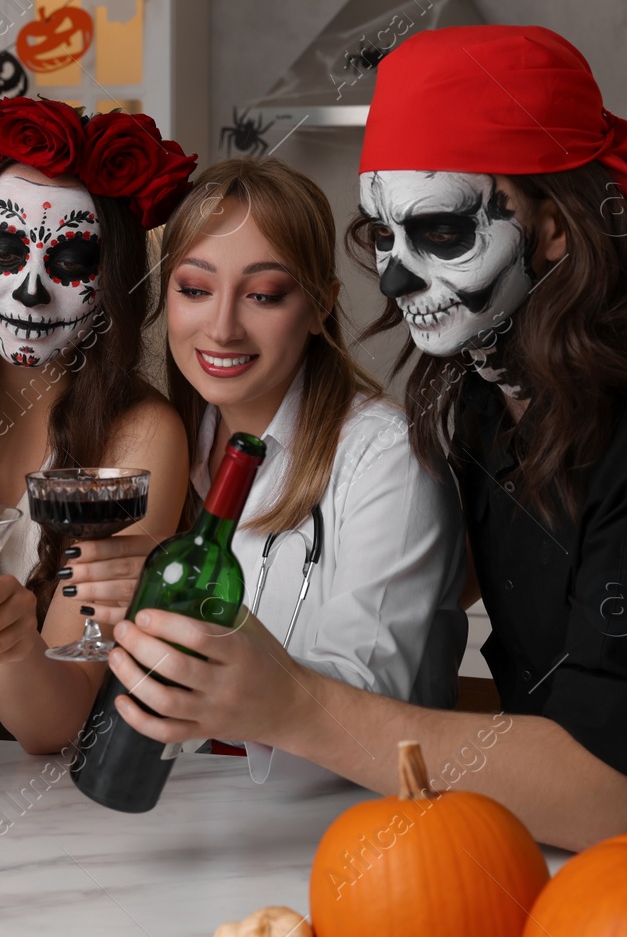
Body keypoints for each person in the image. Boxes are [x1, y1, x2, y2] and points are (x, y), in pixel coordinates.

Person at [106, 25, 627, 851]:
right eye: (383, 235)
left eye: (441, 230)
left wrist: (291, 702)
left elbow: (600, 786)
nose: (401, 277)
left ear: (555, 228)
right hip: (554, 820)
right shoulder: (489, 378)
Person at [0, 94, 194, 753]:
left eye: (70, 262)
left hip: (39, 793)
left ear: (112, 281)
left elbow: (59, 722)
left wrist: (11, 639)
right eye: (3, 247)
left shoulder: (142, 435)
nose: (31, 290)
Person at [156, 157, 465, 765]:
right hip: (191, 816)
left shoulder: (386, 457)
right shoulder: (161, 449)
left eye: (264, 295)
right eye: (194, 289)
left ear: (321, 306)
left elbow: (366, 703)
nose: (221, 328)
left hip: (351, 826)